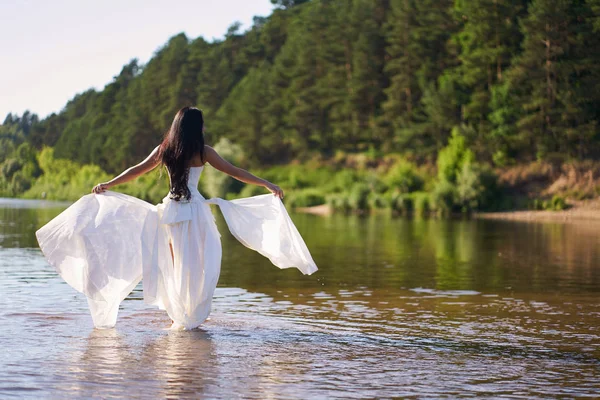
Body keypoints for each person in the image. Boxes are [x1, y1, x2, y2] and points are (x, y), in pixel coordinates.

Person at [36, 106, 317, 330]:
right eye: (202, 124)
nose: (205, 128)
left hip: (170, 212)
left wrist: (109, 184)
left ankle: (177, 316)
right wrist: (266, 183)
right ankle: (189, 315)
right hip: (195, 214)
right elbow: (235, 171)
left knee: (173, 265)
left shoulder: (165, 150)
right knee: (198, 265)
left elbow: (137, 169)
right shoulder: (203, 152)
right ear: (196, 127)